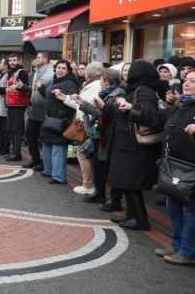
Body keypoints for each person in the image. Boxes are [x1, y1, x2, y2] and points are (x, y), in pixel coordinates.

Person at [123, 68, 195, 265]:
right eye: (186, 80)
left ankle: (188, 253)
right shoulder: (181, 104)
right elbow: (158, 119)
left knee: (191, 213)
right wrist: (132, 108)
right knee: (174, 208)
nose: (186, 84)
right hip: (174, 167)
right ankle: (176, 245)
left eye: (192, 81)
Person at [96, 60, 165, 231]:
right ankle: (132, 213)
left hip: (135, 147)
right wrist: (105, 106)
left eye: (129, 71)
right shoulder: (136, 90)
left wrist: (131, 107)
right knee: (125, 182)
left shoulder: (144, 91)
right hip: (126, 145)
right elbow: (122, 115)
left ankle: (140, 218)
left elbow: (151, 117)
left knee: (131, 184)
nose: (125, 75)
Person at [73, 68, 126, 208]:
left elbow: (112, 114)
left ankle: (113, 198)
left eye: (102, 79)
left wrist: (100, 106)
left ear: (106, 81)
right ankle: (99, 192)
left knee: (108, 168)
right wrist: (83, 103)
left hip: (110, 136)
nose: (100, 82)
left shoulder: (119, 94)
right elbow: (98, 112)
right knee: (98, 165)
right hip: (101, 134)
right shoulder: (105, 93)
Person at [61, 61, 103, 194]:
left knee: (82, 154)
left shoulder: (95, 87)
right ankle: (89, 184)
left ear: (87, 74)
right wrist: (66, 98)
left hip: (87, 125)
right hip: (88, 124)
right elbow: (81, 104)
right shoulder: (93, 85)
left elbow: (87, 107)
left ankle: (88, 185)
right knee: (86, 154)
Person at [41, 60, 79, 184]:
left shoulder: (70, 82)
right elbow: (48, 95)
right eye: (58, 67)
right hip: (50, 117)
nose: (60, 70)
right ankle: (48, 170)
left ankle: (59, 176)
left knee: (58, 146)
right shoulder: (55, 80)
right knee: (47, 143)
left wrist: (62, 94)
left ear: (68, 71)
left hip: (62, 119)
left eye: (63, 68)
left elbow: (73, 96)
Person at [24, 51, 54, 170]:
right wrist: (23, 87)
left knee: (44, 137)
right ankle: (34, 158)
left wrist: (41, 87)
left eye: (38, 57)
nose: (36, 59)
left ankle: (43, 162)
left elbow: (49, 92)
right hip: (34, 108)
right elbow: (34, 88)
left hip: (45, 109)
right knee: (29, 134)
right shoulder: (37, 71)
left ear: (45, 59)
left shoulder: (51, 73)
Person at [4, 54, 30, 162]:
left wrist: (19, 87)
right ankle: (14, 150)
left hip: (19, 105)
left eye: (14, 60)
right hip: (10, 104)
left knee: (16, 130)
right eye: (10, 61)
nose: (12, 62)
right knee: (9, 129)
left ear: (18, 60)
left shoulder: (22, 72)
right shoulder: (10, 73)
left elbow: (26, 87)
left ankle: (17, 152)